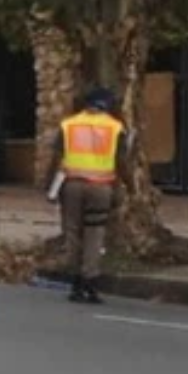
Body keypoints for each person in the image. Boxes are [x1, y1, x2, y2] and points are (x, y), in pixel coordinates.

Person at [50, 87, 130, 305]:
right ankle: (90, 283)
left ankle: (75, 284)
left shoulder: (69, 125)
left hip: (72, 187)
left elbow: (57, 157)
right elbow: (121, 162)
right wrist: (128, 186)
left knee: (73, 232)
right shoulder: (115, 128)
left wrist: (50, 188)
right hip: (101, 188)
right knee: (94, 234)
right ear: (107, 105)